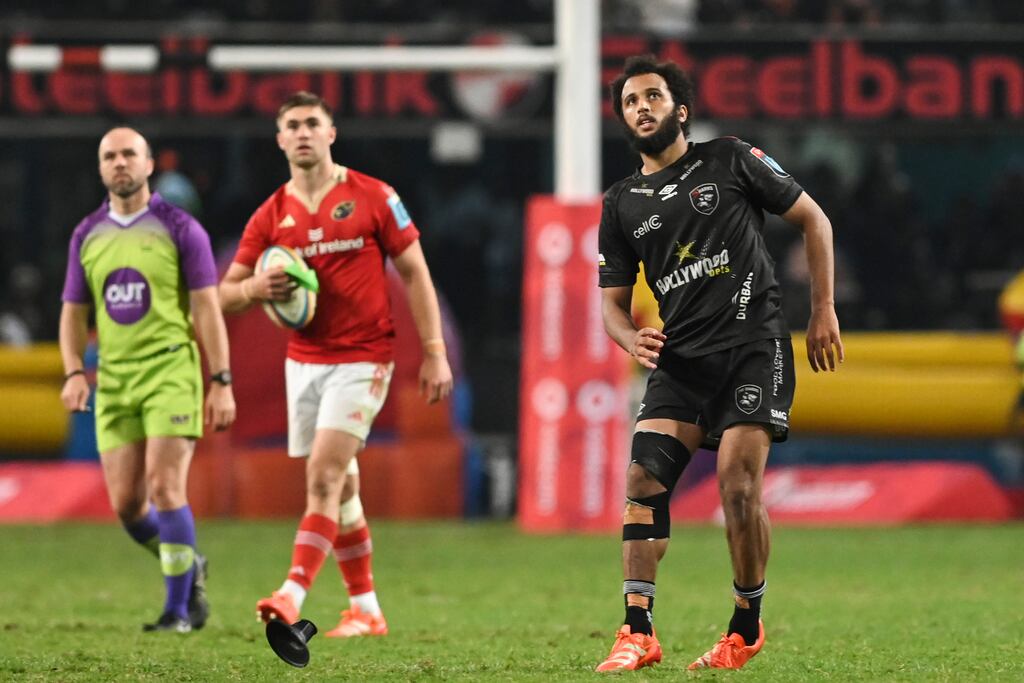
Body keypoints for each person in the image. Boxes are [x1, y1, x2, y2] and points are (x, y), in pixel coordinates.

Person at [594, 55, 843, 672]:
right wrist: (630, 340)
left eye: (652, 96)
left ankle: (745, 623)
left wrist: (823, 310)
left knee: (736, 481)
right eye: (629, 101)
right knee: (641, 483)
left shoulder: (729, 158)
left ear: (680, 110)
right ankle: (637, 631)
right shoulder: (621, 203)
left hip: (753, 348)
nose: (641, 107)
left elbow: (815, 219)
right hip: (680, 361)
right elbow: (612, 308)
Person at [218, 91, 453, 638]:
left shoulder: (373, 196)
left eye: (312, 123)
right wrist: (255, 286)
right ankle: (366, 608)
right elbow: (224, 294)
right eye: (292, 125)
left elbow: (415, 272)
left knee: (321, 475)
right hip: (303, 362)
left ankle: (291, 592)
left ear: (331, 133)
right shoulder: (271, 213)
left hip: (364, 358)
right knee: (342, 486)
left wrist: (436, 351)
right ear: (280, 140)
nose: (302, 132)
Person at [59, 127, 236, 633]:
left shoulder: (182, 229)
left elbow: (206, 310)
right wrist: (74, 370)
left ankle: (177, 612)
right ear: (100, 168)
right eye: (110, 156)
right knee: (128, 508)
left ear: (149, 163)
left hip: (170, 369)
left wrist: (220, 379)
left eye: (128, 154)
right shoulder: (86, 235)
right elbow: (73, 312)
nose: (120, 163)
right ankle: (188, 565)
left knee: (164, 486)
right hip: (114, 379)